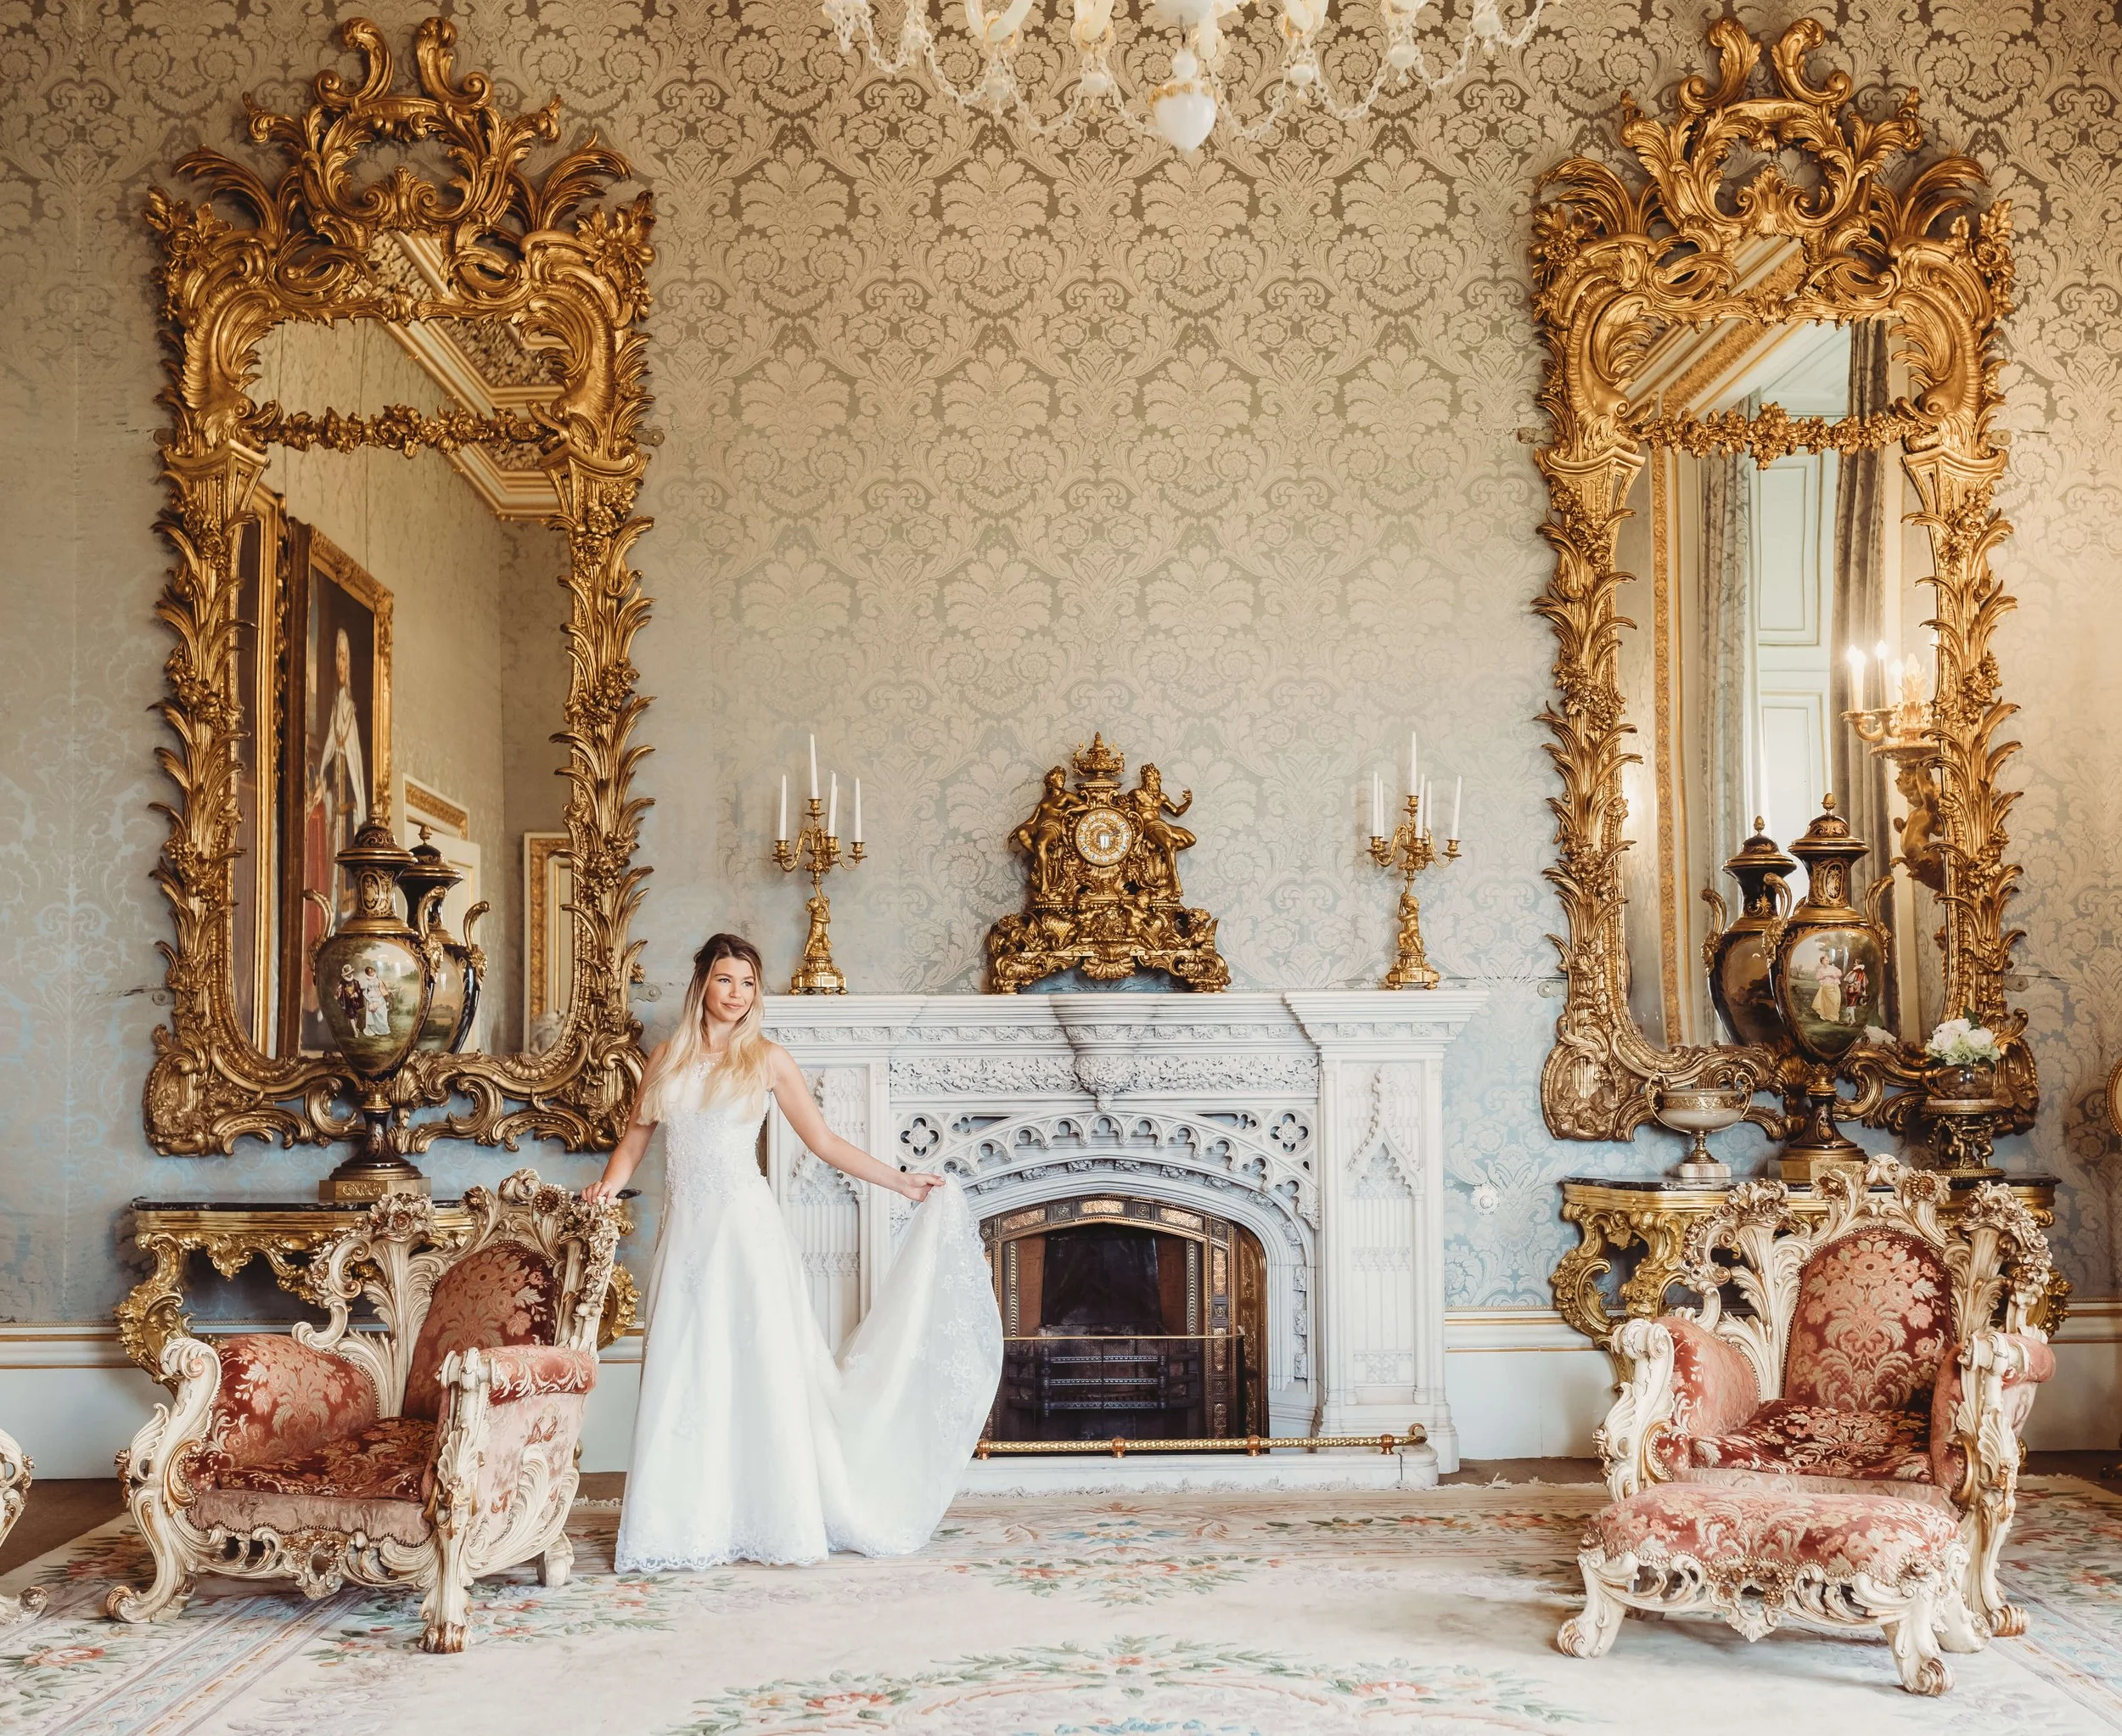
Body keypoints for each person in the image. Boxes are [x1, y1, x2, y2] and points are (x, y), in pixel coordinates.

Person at [587, 933, 1001, 1570]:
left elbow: (826, 1141)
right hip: (690, 1234)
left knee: (760, 1365)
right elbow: (635, 1140)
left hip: (747, 1234)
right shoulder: (667, 1057)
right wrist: (608, 1188)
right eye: (726, 980)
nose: (737, 994)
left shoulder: (767, 1059)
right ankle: (689, 1520)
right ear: (702, 984)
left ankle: (773, 1514)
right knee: (689, 1364)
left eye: (749, 983)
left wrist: (901, 1179)